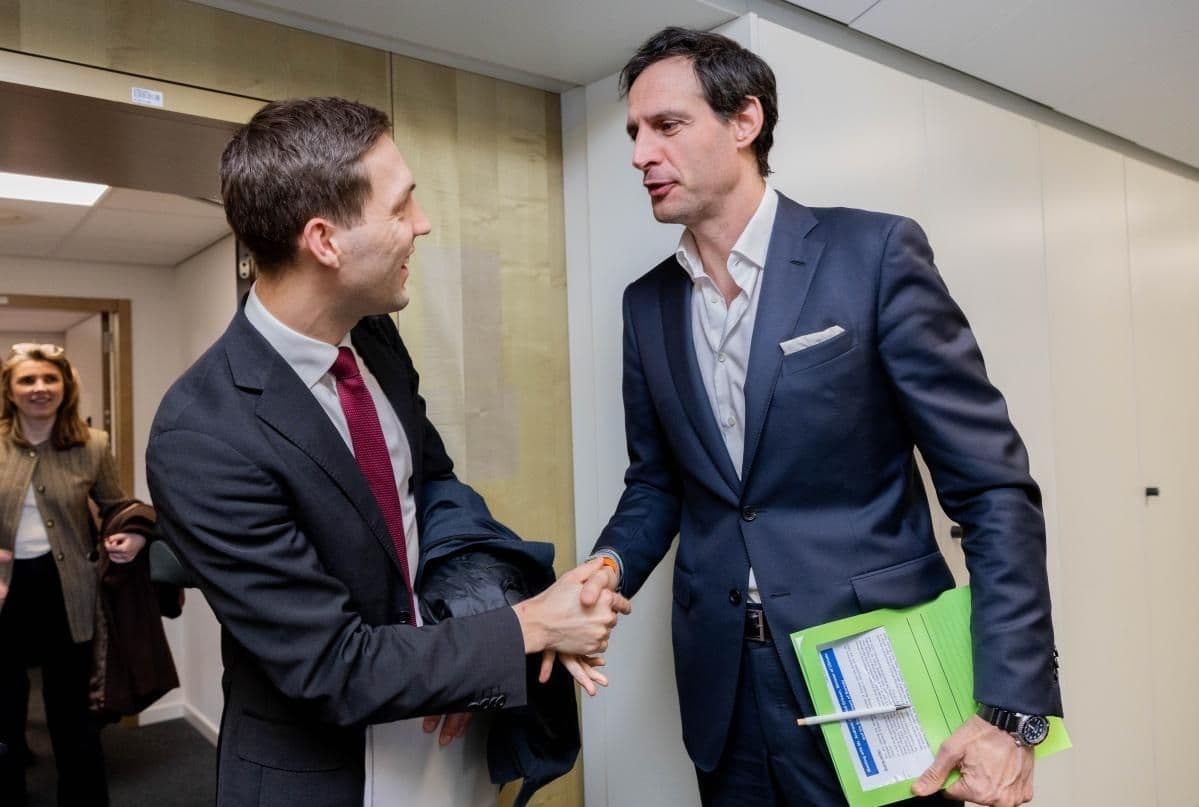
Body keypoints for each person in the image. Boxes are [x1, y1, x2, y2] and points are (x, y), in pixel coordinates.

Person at [573, 27, 1062, 807]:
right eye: (633, 132)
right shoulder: (646, 304)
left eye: (665, 126)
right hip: (724, 686)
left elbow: (991, 489)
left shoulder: (870, 254)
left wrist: (1012, 709)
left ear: (744, 122)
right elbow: (656, 482)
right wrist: (604, 570)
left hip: (877, 669)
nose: (639, 153)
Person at [145, 96, 627, 807]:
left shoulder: (372, 335)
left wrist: (461, 639)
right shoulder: (201, 436)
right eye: (402, 206)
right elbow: (330, 665)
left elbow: (431, 486)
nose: (422, 224)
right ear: (325, 241)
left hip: (444, 723)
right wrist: (528, 625)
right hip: (327, 767)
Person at [0, 343, 148, 807]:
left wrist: (137, 535)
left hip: (70, 594)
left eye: (49, 379)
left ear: (65, 387)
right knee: (3, 710)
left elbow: (118, 506)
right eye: (27, 380)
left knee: (73, 718)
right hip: (6, 592)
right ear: (9, 390)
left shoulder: (93, 444)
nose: (39, 388)